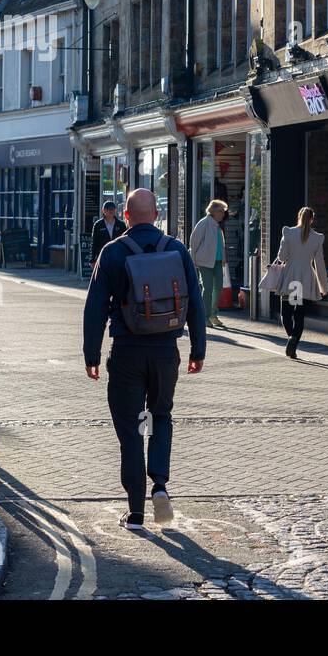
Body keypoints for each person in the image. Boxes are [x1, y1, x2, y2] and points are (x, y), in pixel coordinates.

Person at [83, 189, 206, 531]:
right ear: (155, 214)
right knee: (161, 416)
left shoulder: (112, 252)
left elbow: (94, 308)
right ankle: (161, 485)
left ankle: (136, 511)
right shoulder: (177, 249)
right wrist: (198, 350)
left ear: (125, 214)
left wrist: (90, 354)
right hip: (167, 351)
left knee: (131, 428)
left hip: (127, 353)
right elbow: (196, 303)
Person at [275, 206, 327, 359]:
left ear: (298, 217)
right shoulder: (317, 238)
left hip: (291, 276)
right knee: (299, 313)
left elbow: (282, 256)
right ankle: (294, 341)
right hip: (305, 278)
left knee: (286, 311)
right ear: (312, 219)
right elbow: (319, 263)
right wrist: (323, 286)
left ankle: (291, 337)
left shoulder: (289, 232)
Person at [190, 200, 229, 330]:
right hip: (204, 261)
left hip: (217, 262)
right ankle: (205, 316)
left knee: (218, 287)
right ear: (214, 212)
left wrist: (223, 259)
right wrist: (194, 259)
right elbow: (194, 241)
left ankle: (213, 314)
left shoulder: (217, 225)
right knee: (207, 289)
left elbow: (221, 246)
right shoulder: (204, 223)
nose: (223, 214)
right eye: (221, 212)